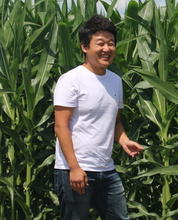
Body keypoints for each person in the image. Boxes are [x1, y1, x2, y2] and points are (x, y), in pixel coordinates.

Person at [53, 14, 143, 220]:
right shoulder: (71, 80)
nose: (107, 49)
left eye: (111, 44)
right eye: (100, 43)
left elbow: (115, 122)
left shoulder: (115, 81)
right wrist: (74, 168)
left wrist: (124, 141)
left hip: (107, 170)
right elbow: (61, 127)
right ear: (85, 47)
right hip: (74, 171)